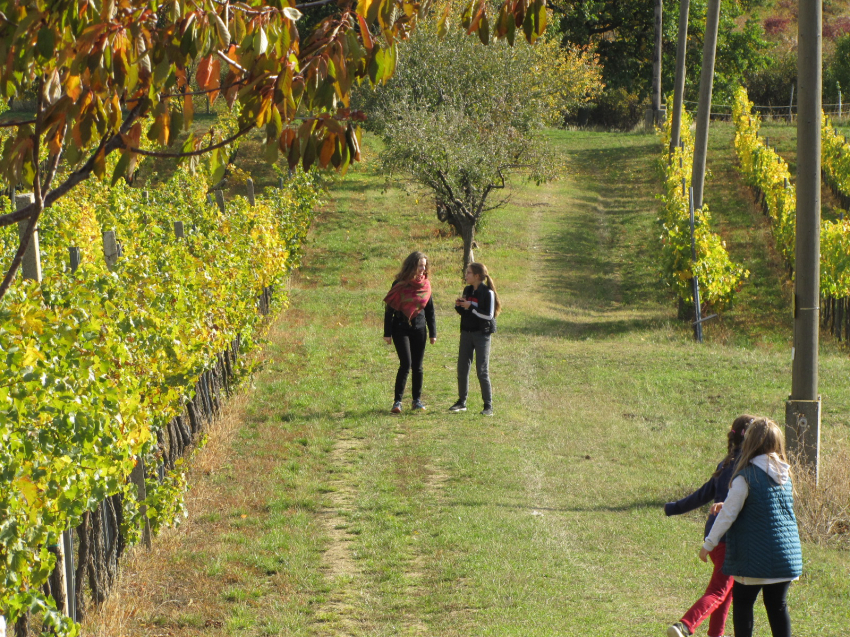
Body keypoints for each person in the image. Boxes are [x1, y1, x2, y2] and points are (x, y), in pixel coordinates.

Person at [700, 417, 802, 637]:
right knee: (777, 606)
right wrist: (728, 504)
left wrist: (709, 543)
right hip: (786, 557)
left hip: (753, 558)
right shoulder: (785, 475)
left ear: (749, 444)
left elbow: (728, 515)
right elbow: (763, 505)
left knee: (743, 605)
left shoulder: (745, 477)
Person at [665, 415, 754, 637]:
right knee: (718, 590)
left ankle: (716, 635)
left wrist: (674, 507)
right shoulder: (750, 466)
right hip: (730, 540)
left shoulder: (725, 463)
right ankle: (685, 625)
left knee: (725, 592)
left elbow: (702, 495)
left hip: (714, 538)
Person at [383, 251, 437, 414]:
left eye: (425, 266)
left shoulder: (425, 285)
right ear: (412, 265)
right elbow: (389, 310)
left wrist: (433, 332)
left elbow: (430, 310)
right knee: (406, 364)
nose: (423, 269)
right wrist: (387, 332)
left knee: (418, 367)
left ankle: (416, 400)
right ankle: (397, 402)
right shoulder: (399, 284)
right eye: (420, 265)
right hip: (400, 327)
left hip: (419, 328)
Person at [449, 262, 500, 416]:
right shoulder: (468, 289)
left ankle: (488, 406)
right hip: (466, 332)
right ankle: (461, 402)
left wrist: (471, 306)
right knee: (462, 368)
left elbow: (488, 316)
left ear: (477, 276)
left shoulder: (488, 293)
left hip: (481, 335)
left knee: (482, 370)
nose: (466, 275)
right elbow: (467, 312)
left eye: (469, 273)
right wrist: (460, 306)